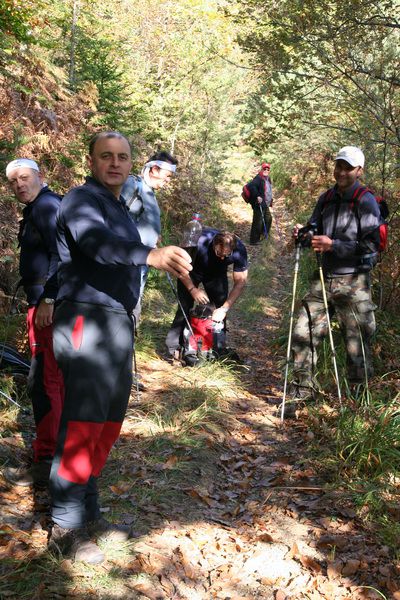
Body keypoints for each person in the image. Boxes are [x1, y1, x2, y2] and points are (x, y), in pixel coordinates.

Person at [48, 131, 192, 564]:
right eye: (106, 156)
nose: (115, 164)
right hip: (84, 320)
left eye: (122, 157)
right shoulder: (80, 200)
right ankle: (64, 527)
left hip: (116, 322)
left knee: (107, 422)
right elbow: (97, 246)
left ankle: (88, 512)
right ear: (91, 160)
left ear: (132, 165)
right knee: (82, 423)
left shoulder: (118, 205)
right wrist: (149, 255)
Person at [288, 146, 382, 415]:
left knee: (356, 344)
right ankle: (302, 397)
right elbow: (313, 231)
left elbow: (372, 245)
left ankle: (357, 407)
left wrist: (334, 245)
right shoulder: (326, 198)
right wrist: (303, 235)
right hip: (322, 279)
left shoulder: (366, 201)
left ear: (359, 171)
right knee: (302, 334)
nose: (341, 171)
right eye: (338, 165)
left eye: (347, 167)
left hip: (354, 283)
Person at [3, 159, 64, 487]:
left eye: (24, 178)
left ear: (41, 177)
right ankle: (53, 454)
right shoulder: (40, 206)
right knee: (48, 380)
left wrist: (48, 299)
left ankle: (47, 461)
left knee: (44, 381)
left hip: (47, 307)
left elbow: (63, 254)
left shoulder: (46, 207)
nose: (19, 185)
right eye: (13, 181)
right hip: (42, 304)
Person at [165, 229, 248, 359]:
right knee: (184, 306)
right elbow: (180, 268)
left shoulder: (239, 250)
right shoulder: (199, 241)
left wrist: (224, 308)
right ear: (214, 245)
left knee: (220, 307)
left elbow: (240, 282)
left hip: (216, 274)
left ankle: (217, 347)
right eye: (219, 253)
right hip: (191, 270)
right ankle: (173, 346)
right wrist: (193, 289)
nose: (222, 257)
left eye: (226, 255)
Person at [121, 150, 178, 325]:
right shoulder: (132, 185)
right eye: (167, 176)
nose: (168, 181)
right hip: (129, 262)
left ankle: (128, 341)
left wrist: (155, 235)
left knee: (134, 302)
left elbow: (140, 219)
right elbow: (118, 219)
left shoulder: (149, 191)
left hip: (143, 261)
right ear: (154, 169)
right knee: (127, 304)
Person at [248, 162, 273, 245]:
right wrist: (257, 196)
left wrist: (271, 200)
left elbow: (267, 190)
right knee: (258, 222)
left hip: (265, 204)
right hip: (258, 204)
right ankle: (254, 240)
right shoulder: (258, 178)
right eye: (264, 169)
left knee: (268, 219)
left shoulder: (267, 179)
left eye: (267, 169)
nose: (266, 170)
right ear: (261, 169)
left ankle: (263, 235)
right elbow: (251, 186)